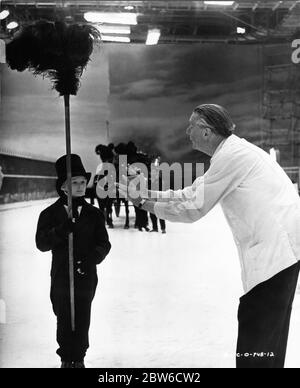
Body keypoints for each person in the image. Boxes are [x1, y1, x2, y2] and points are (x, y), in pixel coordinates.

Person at [119, 104, 300, 368]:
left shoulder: (232, 157)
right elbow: (193, 192)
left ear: (207, 131)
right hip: (283, 254)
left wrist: (143, 204)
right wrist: (147, 195)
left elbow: (193, 208)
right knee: (267, 342)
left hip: (276, 257)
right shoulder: (232, 153)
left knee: (258, 342)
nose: (187, 130)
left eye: (191, 125)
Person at [36, 154, 111, 368]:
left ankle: (78, 359)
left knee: (82, 316)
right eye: (74, 183)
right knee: (63, 316)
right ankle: (65, 359)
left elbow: (104, 243)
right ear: (63, 187)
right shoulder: (49, 214)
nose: (80, 187)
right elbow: (41, 243)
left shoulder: (94, 214)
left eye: (82, 182)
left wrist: (93, 258)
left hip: (86, 276)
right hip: (61, 275)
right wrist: (62, 230)